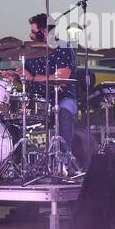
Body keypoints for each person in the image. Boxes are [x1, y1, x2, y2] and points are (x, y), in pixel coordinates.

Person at [13, 13, 78, 164]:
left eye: (34, 32)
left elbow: (62, 77)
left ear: (44, 31)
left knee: (63, 112)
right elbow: (27, 76)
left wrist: (32, 77)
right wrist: (16, 76)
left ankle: (64, 161)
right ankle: (18, 162)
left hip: (63, 97)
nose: (30, 35)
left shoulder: (63, 47)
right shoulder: (30, 52)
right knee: (14, 115)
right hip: (36, 99)